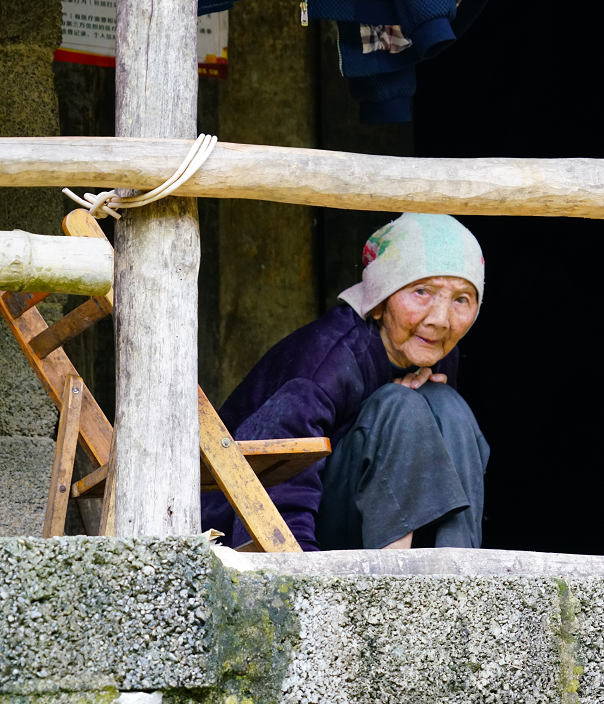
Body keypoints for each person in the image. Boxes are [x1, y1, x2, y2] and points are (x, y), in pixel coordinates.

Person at [200, 213, 489, 551]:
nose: (441, 320)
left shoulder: (433, 350)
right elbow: (272, 473)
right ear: (379, 303)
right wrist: (301, 577)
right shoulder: (329, 360)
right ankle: (393, 580)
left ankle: (458, 570)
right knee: (400, 406)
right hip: (248, 524)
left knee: (446, 405)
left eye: (461, 299)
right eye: (422, 292)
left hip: (358, 522)